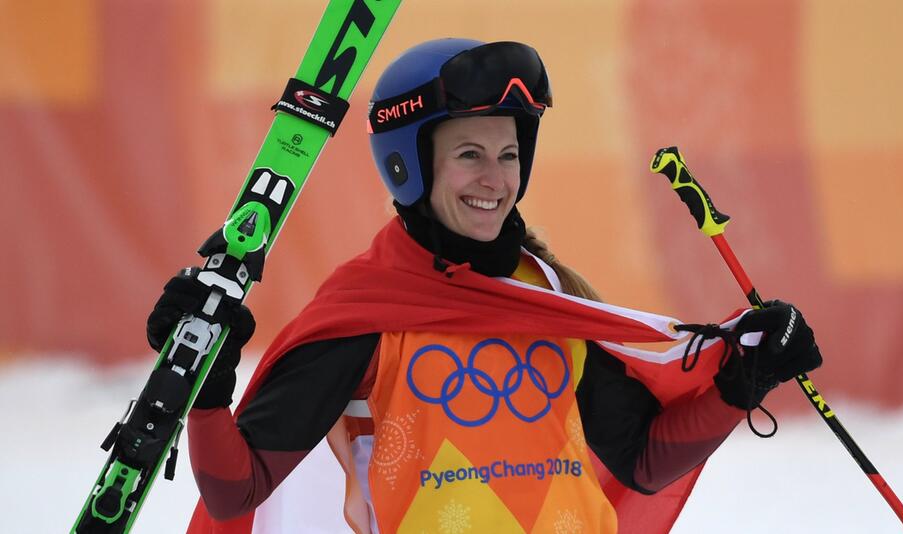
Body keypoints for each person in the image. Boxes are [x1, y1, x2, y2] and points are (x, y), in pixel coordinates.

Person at [149, 39, 822, 534]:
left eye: (508, 155)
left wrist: (742, 384)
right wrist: (205, 393)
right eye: (468, 154)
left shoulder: (548, 295)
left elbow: (642, 458)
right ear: (408, 166)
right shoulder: (369, 313)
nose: (494, 179)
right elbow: (238, 493)